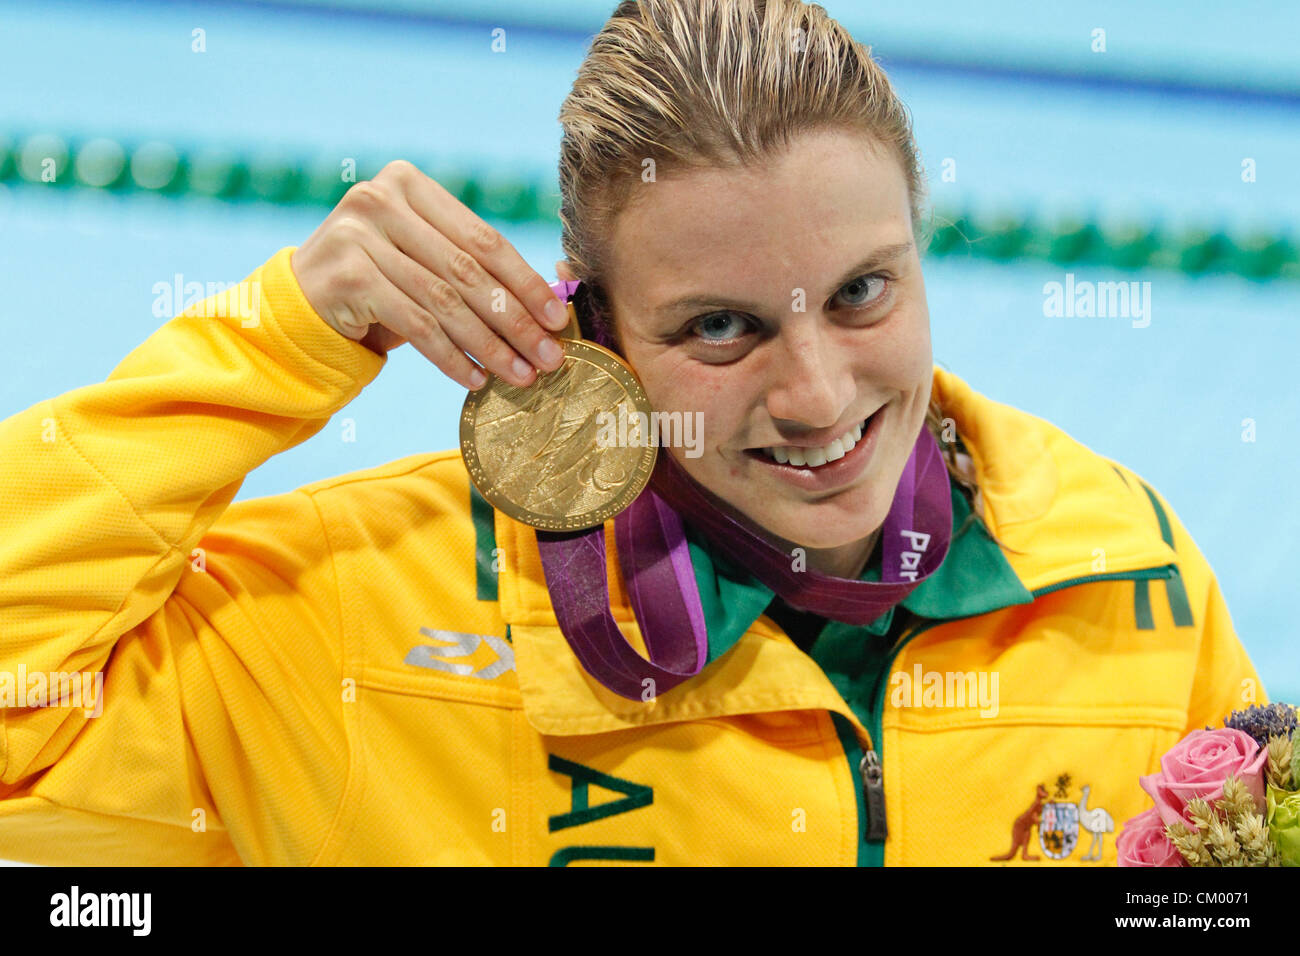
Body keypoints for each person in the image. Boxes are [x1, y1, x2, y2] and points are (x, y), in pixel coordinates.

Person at [0, 0, 1267, 866]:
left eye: (862, 291)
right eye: (720, 329)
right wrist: (283, 335)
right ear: (591, 326)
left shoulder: (1120, 567)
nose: (818, 397)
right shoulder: (362, 618)